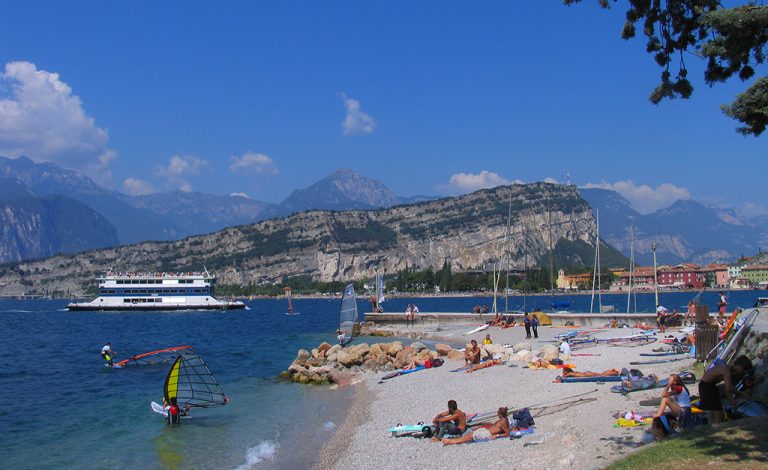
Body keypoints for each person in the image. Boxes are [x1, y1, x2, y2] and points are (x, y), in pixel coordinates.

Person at [698, 355, 753, 425]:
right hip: (707, 387)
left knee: (713, 413)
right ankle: (716, 429)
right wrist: (743, 394)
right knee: (719, 414)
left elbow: (727, 390)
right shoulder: (726, 370)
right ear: (739, 366)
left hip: (709, 386)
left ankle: (710, 428)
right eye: (743, 369)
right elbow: (729, 388)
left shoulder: (729, 370)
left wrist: (732, 401)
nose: (743, 372)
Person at [442, 407, 510, 445]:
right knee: (468, 435)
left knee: (468, 437)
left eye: (498, 413)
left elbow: (507, 433)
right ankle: (451, 441)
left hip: (487, 433)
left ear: (500, 414)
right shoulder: (503, 419)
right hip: (485, 431)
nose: (497, 414)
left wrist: (497, 435)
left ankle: (450, 442)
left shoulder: (503, 421)